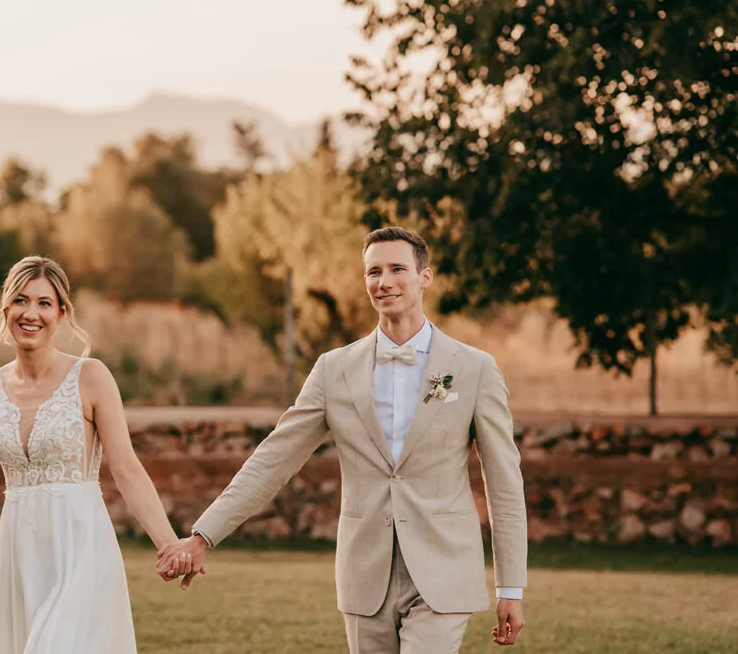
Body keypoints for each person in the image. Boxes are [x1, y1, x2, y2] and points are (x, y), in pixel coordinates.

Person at [158, 226, 528, 653]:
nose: (383, 281)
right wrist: (202, 537)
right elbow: (273, 459)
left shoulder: (475, 368)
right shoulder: (333, 370)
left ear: (425, 277)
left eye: (396, 269)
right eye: (373, 271)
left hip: (444, 570)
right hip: (363, 573)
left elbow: (504, 484)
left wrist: (511, 587)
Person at [0, 255, 194, 653]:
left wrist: (169, 544)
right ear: (6, 309)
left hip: (80, 549)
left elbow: (126, 469)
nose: (31, 313)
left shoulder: (91, 377)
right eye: (21, 301)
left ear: (61, 313)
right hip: (19, 553)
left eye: (44, 303)